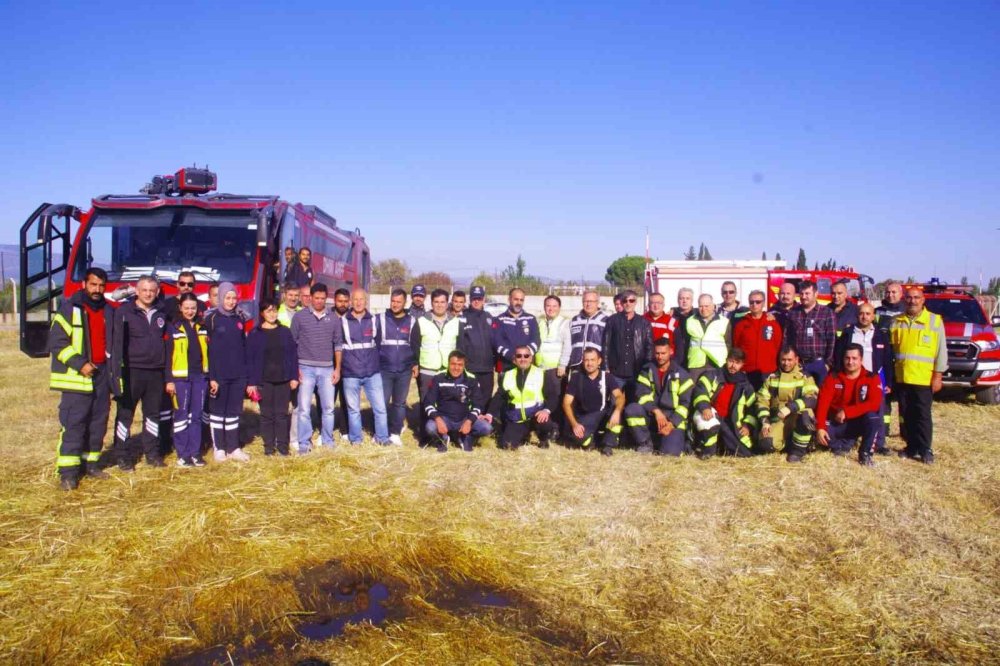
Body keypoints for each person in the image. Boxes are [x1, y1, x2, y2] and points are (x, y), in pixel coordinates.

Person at [49, 267, 115, 490]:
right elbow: (57, 343)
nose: (97, 289)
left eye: (101, 285)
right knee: (74, 424)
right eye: (93, 284)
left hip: (102, 375)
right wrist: (80, 364)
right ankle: (68, 472)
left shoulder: (108, 310)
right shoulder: (70, 309)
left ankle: (91, 464)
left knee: (98, 422)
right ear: (84, 285)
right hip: (77, 378)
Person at [111, 275, 169, 470]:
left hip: (155, 372)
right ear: (136, 291)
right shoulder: (124, 312)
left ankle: (152, 454)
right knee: (125, 415)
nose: (148, 293)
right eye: (144, 290)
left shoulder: (162, 313)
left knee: (152, 415)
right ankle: (122, 455)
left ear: (157, 292)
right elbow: (117, 343)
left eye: (152, 290)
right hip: (131, 371)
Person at [890, 287, 947, 464]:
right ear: (904, 300)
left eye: (916, 298)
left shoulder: (934, 321)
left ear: (923, 300)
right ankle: (911, 446)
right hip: (903, 377)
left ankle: (925, 449)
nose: (912, 301)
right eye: (909, 298)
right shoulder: (896, 321)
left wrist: (938, 376)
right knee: (906, 414)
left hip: (923, 378)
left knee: (922, 415)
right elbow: (892, 351)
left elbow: (941, 352)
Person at [835, 302, 894, 455]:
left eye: (868, 314)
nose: (864, 317)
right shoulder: (848, 333)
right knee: (852, 409)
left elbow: (887, 360)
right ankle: (848, 441)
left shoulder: (881, 335)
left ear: (873, 316)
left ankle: (879, 444)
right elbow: (838, 355)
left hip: (874, 379)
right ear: (857, 314)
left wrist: (889, 381)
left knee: (877, 412)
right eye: (861, 313)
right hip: (852, 378)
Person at [291, 283, 343, 452]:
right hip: (305, 368)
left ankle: (328, 440)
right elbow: (292, 344)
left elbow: (338, 346)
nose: (320, 301)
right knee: (304, 408)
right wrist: (295, 369)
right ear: (310, 298)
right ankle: (304, 443)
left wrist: (337, 369)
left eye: (322, 298)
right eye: (316, 298)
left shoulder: (334, 318)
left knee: (328, 408)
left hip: (327, 369)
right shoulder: (299, 317)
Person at [203, 282, 251, 462]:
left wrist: (245, 375)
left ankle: (233, 447)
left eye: (234, 298)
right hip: (219, 375)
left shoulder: (240, 318)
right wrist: (213, 378)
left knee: (233, 411)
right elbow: (210, 351)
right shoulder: (212, 318)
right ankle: (219, 448)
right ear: (221, 298)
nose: (231, 302)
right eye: (227, 298)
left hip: (237, 374)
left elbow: (243, 346)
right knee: (218, 412)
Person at [816, 344, 884, 466]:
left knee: (873, 417)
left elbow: (874, 404)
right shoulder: (833, 377)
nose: (850, 362)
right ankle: (842, 445)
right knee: (816, 433)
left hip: (858, 423)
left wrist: (847, 412)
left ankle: (865, 454)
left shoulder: (872, 378)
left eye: (854, 358)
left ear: (861, 359)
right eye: (847, 358)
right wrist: (820, 427)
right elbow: (823, 403)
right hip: (836, 422)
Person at [624, 338, 694, 456]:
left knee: (669, 454)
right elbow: (641, 395)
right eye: (657, 353)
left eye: (663, 353)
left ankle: (681, 442)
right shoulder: (647, 371)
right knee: (632, 409)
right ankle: (645, 443)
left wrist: (671, 424)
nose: (659, 356)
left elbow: (685, 404)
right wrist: (656, 412)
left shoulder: (682, 374)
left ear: (671, 352)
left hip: (673, 419)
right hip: (653, 415)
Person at [246, 300, 299, 456]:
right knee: (267, 415)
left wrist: (294, 377)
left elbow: (292, 355)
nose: (272, 314)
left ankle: (283, 447)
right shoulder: (255, 334)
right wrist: (251, 382)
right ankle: (269, 447)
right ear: (262, 313)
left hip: (283, 379)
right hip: (264, 380)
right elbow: (250, 359)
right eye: (268, 311)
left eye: (274, 310)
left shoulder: (285, 332)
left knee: (282, 415)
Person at [340, 289, 390, 445]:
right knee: (353, 410)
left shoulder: (374, 320)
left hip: (372, 373)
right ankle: (356, 439)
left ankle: (382, 438)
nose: (358, 302)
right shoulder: (342, 321)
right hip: (350, 373)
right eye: (355, 299)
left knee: (380, 408)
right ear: (351, 301)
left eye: (361, 299)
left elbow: (380, 344)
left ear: (366, 301)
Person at [165, 293, 209, 468]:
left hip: (200, 377)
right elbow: (168, 355)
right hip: (180, 378)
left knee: (196, 416)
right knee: (182, 416)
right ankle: (183, 454)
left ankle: (195, 453)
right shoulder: (174, 327)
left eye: (193, 308)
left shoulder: (202, 327)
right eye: (186, 308)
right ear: (180, 308)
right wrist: (169, 380)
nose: (190, 311)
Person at [691, 348, 758, 458]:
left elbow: (752, 408)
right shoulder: (712, 375)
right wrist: (704, 407)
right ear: (726, 360)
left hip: (731, 422)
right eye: (731, 361)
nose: (733, 366)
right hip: (712, 415)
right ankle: (707, 452)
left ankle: (719, 447)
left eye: (737, 363)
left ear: (742, 365)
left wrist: (747, 425)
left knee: (744, 453)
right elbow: (700, 391)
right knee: (709, 426)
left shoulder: (746, 385)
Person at [756, 347, 819, 462]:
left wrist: (791, 407)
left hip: (797, 416)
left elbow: (812, 398)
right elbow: (762, 400)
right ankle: (789, 443)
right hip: (779, 419)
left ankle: (798, 452)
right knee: (766, 443)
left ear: (796, 359)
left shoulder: (805, 377)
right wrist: (765, 421)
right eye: (783, 360)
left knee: (806, 415)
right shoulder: (771, 378)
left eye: (790, 360)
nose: (786, 363)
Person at [488, 346, 556, 449]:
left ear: (531, 358)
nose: (523, 359)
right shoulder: (507, 375)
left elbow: (553, 396)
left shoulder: (541, 374)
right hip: (517, 419)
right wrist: (489, 414)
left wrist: (546, 411)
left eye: (526, 356)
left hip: (536, 417)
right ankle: (523, 436)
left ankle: (543, 437)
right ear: (514, 359)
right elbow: (499, 396)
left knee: (545, 423)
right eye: (519, 356)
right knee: (507, 445)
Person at [423, 351, 492, 452]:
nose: (456, 368)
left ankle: (464, 437)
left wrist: (469, 421)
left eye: (460, 365)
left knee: (487, 428)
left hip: (464, 418)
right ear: (448, 363)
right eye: (453, 364)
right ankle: (443, 438)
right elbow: (428, 403)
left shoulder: (471, 379)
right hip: (444, 418)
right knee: (430, 428)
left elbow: (478, 405)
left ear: (464, 365)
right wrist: (438, 419)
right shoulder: (439, 377)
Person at [376, 288, 420, 446]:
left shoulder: (412, 321)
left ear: (405, 303)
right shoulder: (380, 319)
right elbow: (375, 343)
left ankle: (395, 432)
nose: (395, 304)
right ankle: (381, 432)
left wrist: (415, 363)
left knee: (400, 403)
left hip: (404, 369)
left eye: (398, 302)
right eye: (393, 301)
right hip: (384, 369)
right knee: (382, 402)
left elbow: (415, 345)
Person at [417, 289, 461, 441]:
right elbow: (415, 345)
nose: (439, 305)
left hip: (447, 370)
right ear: (431, 303)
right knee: (426, 403)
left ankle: (447, 434)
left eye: (443, 302)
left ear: (447, 303)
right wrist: (415, 366)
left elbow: (459, 346)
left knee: (447, 402)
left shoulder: (455, 322)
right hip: (428, 369)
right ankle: (426, 436)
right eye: (436, 302)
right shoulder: (422, 321)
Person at [562, 348, 625, 456]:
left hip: (602, 414)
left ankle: (607, 445)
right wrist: (574, 424)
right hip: (585, 418)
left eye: (592, 360)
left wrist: (617, 411)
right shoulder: (576, 377)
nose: (589, 363)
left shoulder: (607, 377)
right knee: (576, 436)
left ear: (599, 361)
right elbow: (566, 403)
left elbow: (620, 396)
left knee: (616, 416)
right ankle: (592, 442)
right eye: (586, 360)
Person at [602, 288, 653, 400]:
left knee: (634, 403)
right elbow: (605, 344)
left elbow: (649, 347)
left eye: (631, 300)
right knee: (614, 404)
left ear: (636, 302)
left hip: (636, 372)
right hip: (616, 372)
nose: (628, 303)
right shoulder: (612, 321)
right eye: (625, 301)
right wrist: (605, 367)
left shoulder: (644, 323)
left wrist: (646, 367)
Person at [782, 280, 836, 385]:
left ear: (816, 294)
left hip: (819, 363)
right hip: (799, 364)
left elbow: (832, 339)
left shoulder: (827, 313)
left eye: (807, 293)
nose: (804, 296)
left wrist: (827, 364)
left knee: (820, 396)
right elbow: (786, 338)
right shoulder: (793, 313)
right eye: (801, 293)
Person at [535, 295, 571, 434]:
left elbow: (567, 346)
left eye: (554, 306)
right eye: (548, 306)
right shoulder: (540, 322)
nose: (551, 309)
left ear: (559, 308)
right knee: (543, 398)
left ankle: (556, 429)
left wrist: (563, 365)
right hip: (540, 368)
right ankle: (544, 427)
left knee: (556, 399)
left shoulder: (564, 323)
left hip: (556, 369)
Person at [732, 289, 782, 390]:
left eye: (758, 302)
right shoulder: (741, 324)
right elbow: (736, 346)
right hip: (746, 371)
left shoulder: (772, 324)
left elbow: (778, 345)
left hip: (767, 372)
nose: (754, 305)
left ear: (763, 303)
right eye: (751, 302)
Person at [456, 285, 496, 411]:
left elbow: (495, 340)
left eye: (479, 298)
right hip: (470, 367)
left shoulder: (489, 317)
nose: (477, 301)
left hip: (487, 367)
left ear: (484, 299)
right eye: (474, 298)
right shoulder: (463, 318)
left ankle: (483, 422)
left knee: (486, 395)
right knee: (468, 396)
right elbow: (460, 343)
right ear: (470, 299)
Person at [875, 280, 905, 436]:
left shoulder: (907, 311)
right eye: (888, 292)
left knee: (903, 398)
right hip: (884, 360)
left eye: (894, 292)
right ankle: (884, 430)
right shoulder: (878, 312)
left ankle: (904, 431)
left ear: (901, 294)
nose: (890, 295)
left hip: (901, 360)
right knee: (884, 396)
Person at [680, 293, 731, 384]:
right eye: (701, 306)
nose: (703, 309)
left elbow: (728, 344)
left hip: (716, 364)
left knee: (716, 394)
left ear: (713, 306)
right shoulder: (689, 321)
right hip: (696, 366)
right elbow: (685, 344)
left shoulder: (724, 322)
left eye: (707, 306)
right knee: (695, 394)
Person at [494, 288, 541, 372]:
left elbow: (536, 340)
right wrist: (513, 356)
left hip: (527, 365)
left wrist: (524, 356)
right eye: (516, 299)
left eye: (521, 300)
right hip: (507, 365)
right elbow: (497, 342)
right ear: (509, 299)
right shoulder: (500, 319)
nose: (518, 303)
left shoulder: (531, 319)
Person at [566, 290, 608, 372]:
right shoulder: (574, 320)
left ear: (597, 302)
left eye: (591, 301)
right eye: (585, 301)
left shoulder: (605, 320)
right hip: (576, 365)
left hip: (595, 367)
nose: (588, 304)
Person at [332, 288, 351, 442]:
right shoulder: (328, 316)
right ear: (334, 301)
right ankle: (327, 429)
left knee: (346, 400)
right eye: (340, 301)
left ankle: (345, 430)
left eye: (346, 301)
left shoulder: (352, 317)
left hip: (348, 366)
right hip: (329, 365)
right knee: (328, 400)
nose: (343, 304)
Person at [668, 288, 695, 353]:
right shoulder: (671, 316)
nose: (684, 301)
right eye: (681, 298)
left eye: (687, 298)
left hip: (692, 354)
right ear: (678, 300)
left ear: (692, 300)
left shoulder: (697, 316)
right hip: (675, 354)